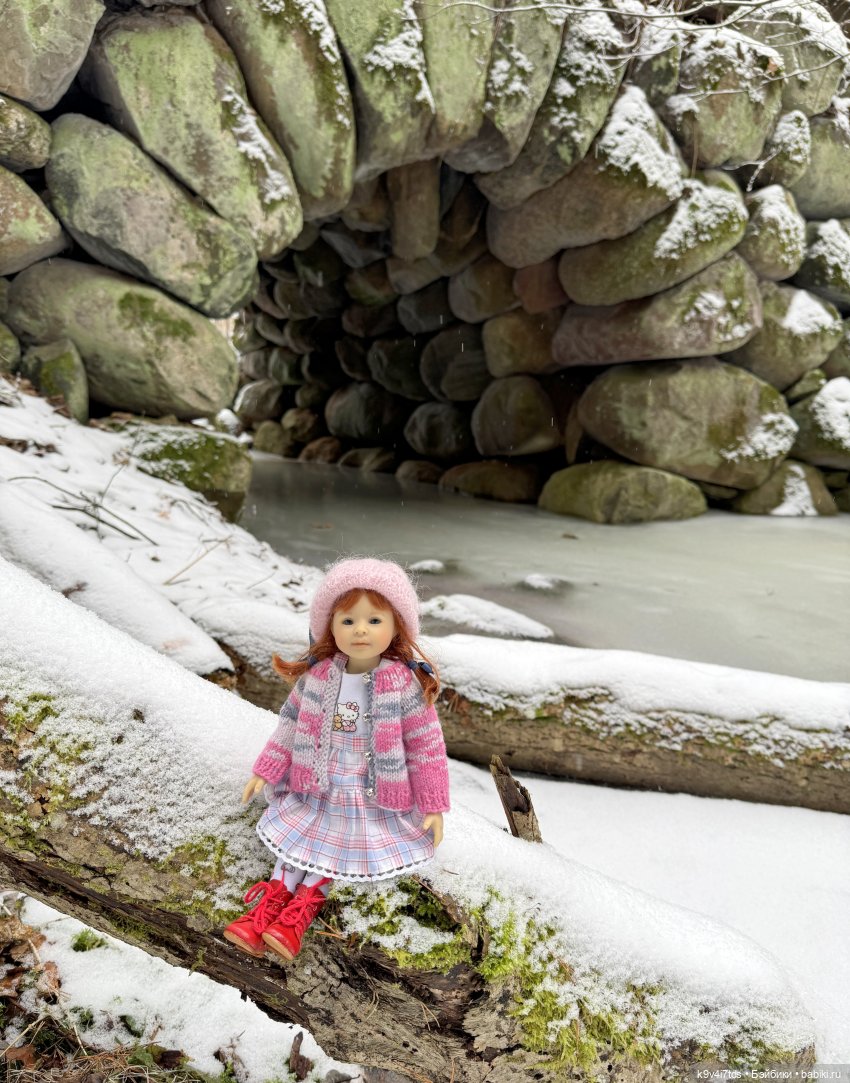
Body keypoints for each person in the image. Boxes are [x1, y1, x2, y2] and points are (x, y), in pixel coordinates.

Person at [223, 556, 450, 962]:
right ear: (329, 625)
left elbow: (426, 747)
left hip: (369, 789)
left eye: (374, 620)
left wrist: (433, 805)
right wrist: (267, 769)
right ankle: (268, 906)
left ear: (398, 626)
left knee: (340, 845)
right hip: (316, 780)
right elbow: (289, 725)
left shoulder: (404, 686)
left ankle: (299, 914)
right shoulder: (320, 676)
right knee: (301, 841)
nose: (360, 629)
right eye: (347, 621)